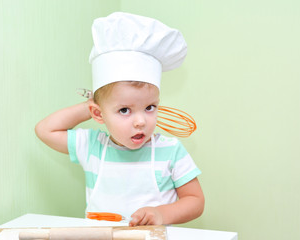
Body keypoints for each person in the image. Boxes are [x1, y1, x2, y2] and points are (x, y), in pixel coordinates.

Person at [35, 12, 204, 226]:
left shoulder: (171, 150)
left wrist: (162, 214)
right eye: (125, 110)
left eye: (150, 107)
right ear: (97, 114)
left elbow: (195, 200)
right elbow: (45, 130)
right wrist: (95, 105)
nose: (141, 121)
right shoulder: (92, 147)